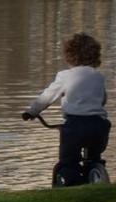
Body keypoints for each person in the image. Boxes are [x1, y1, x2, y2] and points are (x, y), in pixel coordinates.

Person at [23, 32, 110, 185]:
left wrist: (32, 111)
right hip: (100, 126)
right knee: (94, 156)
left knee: (68, 161)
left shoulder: (65, 76)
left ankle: (68, 182)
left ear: (69, 55)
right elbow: (103, 99)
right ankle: (96, 168)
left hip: (75, 127)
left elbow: (47, 97)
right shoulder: (98, 76)